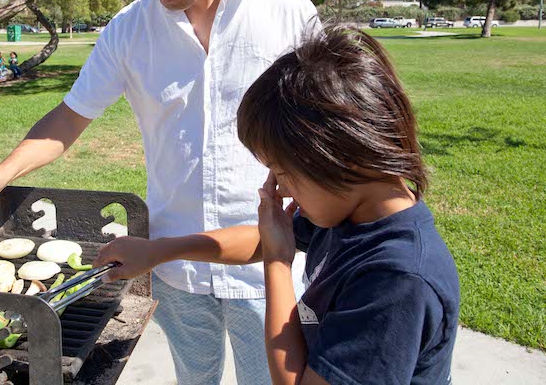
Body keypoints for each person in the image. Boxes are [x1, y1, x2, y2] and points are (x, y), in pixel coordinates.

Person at [0, 0, 320, 383]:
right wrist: (2, 173)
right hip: (173, 262)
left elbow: (328, 133)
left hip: (269, 261)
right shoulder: (128, 29)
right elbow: (72, 115)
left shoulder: (287, 14)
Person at [95, 27, 461, 385]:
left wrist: (277, 264)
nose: (280, 189)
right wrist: (159, 251)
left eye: (281, 172)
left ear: (340, 157)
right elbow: (262, 239)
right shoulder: (353, 209)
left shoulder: (397, 284)